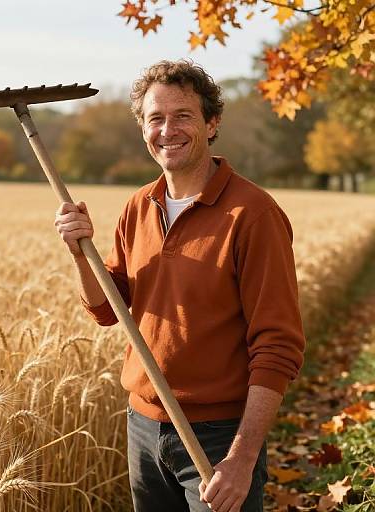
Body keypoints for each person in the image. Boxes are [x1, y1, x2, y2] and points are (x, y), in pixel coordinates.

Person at [54, 60, 306, 512]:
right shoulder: (139, 206)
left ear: (212, 124)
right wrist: (79, 253)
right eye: (155, 118)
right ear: (143, 128)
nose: (167, 129)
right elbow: (108, 311)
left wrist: (242, 457)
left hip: (217, 437)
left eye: (183, 115)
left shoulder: (253, 215)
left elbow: (278, 346)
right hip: (143, 428)